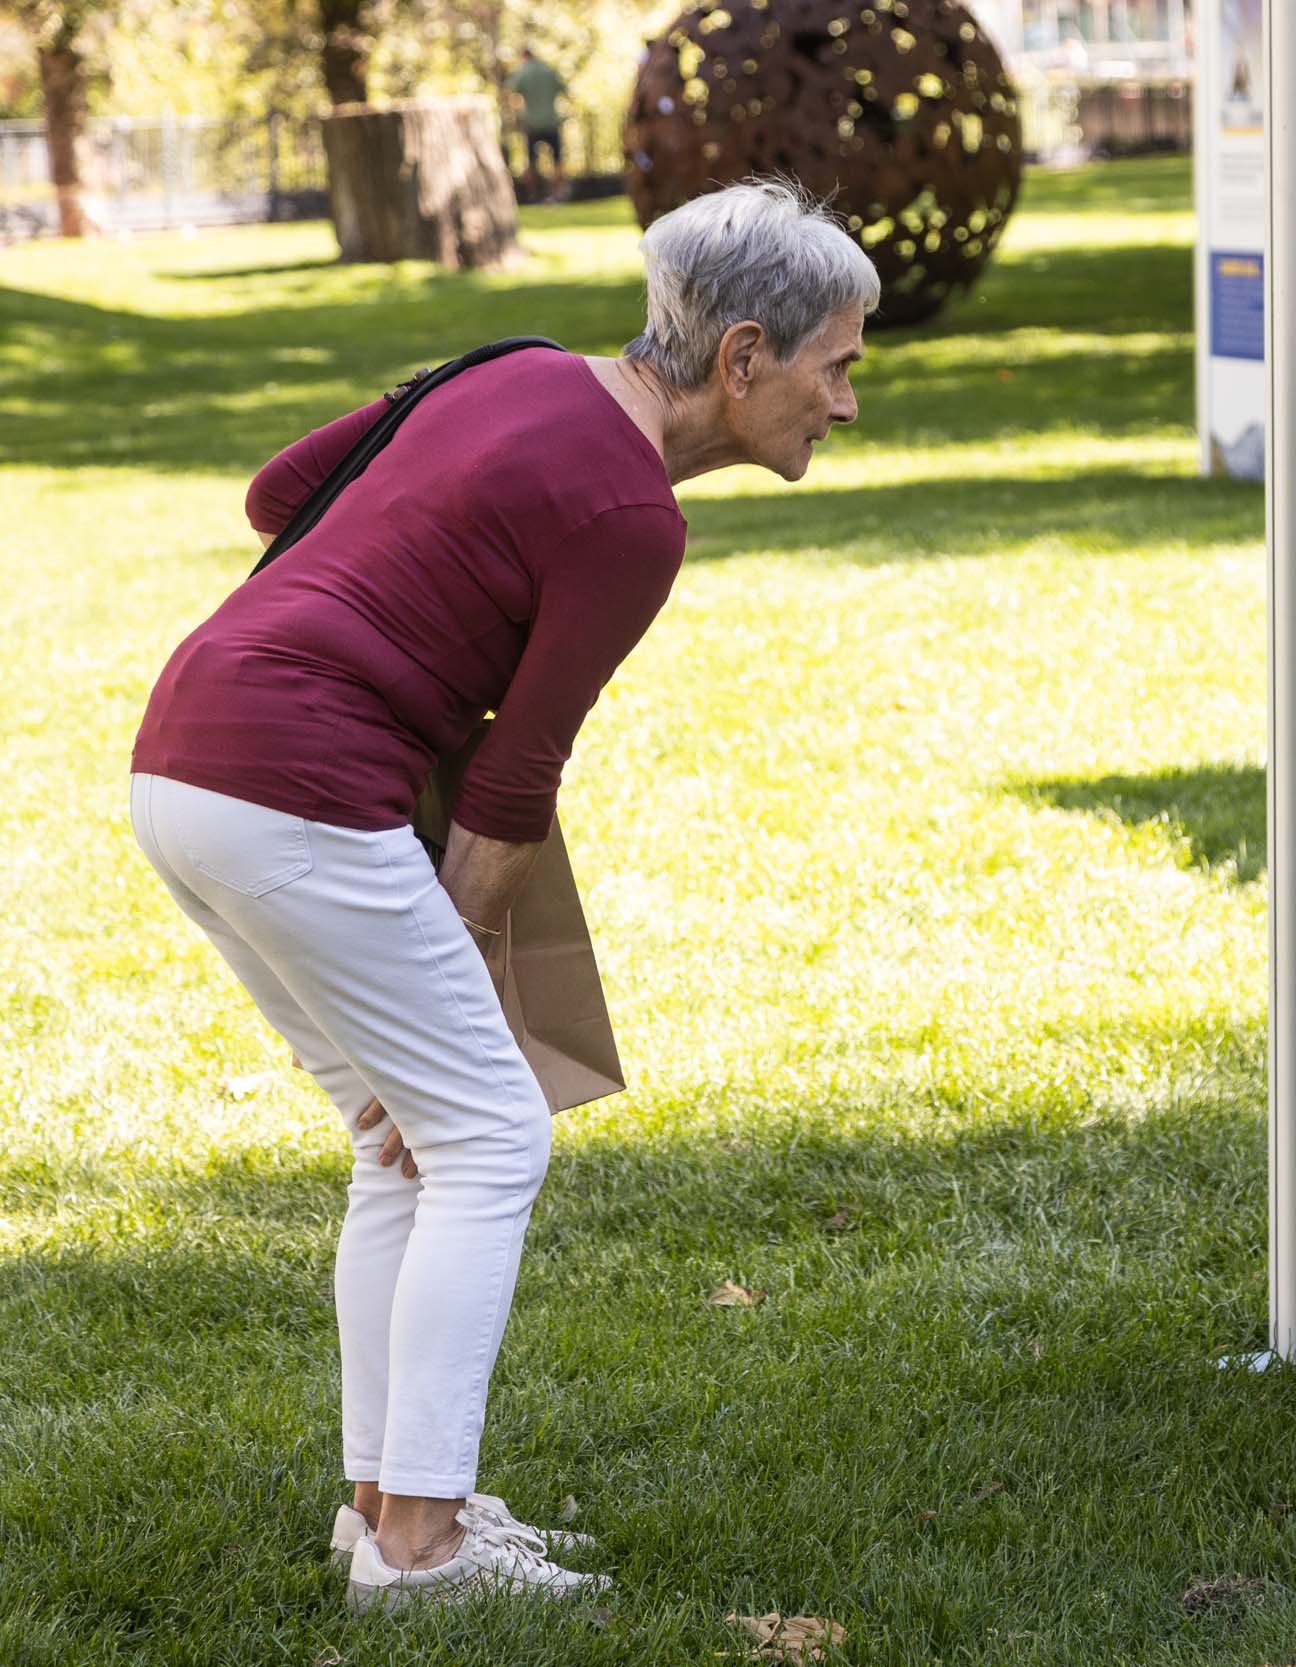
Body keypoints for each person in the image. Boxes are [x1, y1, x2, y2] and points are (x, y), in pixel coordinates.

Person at [126, 181, 876, 1610]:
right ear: (742, 356)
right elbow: (516, 775)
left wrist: (419, 576)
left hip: (185, 761)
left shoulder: (514, 367)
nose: (845, 402)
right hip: (297, 784)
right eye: (835, 365)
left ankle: (388, 1510)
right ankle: (422, 1550)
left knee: (406, 1139)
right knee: (487, 1133)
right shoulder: (631, 515)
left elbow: (281, 494)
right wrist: (464, 950)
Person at [509, 46, 570, 201]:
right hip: (551, 122)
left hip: (532, 124)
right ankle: (557, 195)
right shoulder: (549, 71)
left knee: (530, 161)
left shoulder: (521, 73)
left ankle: (533, 195)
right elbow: (565, 91)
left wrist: (518, 116)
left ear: (523, 56)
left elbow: (512, 95)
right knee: (557, 161)